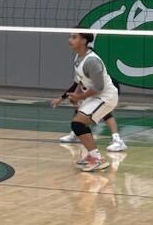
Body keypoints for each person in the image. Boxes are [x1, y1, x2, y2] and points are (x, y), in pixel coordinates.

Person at [50, 32, 120, 172]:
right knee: (79, 125)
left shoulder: (92, 61)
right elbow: (77, 82)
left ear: (83, 40)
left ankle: (97, 158)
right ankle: (92, 155)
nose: (70, 40)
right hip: (96, 96)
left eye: (74, 37)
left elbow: (99, 87)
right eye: (70, 36)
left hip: (106, 97)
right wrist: (62, 98)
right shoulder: (78, 58)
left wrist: (79, 98)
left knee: (78, 123)